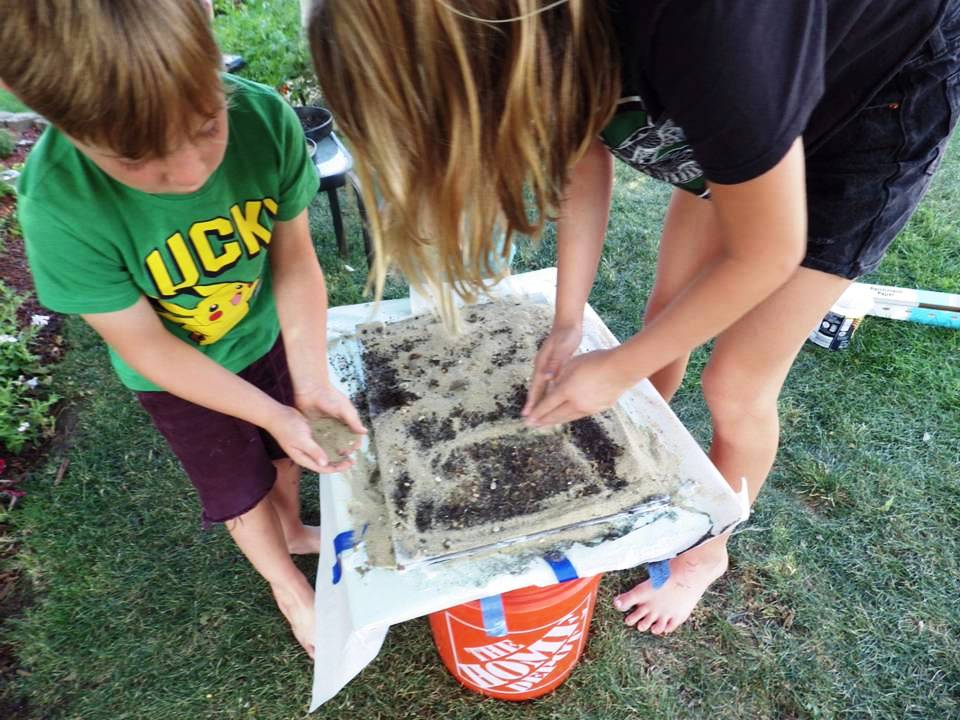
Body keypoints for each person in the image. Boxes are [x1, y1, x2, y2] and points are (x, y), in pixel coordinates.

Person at [306, 0, 960, 635]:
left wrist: (619, 367)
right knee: (663, 321)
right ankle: (633, 466)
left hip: (874, 109)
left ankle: (705, 554)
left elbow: (766, 251)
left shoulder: (706, 33)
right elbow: (579, 156)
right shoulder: (545, 32)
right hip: (747, 109)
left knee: (734, 387)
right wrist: (568, 322)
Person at [0, 0, 367, 658]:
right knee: (236, 486)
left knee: (284, 452)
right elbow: (145, 344)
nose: (192, 171)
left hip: (264, 334)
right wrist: (272, 412)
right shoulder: (59, 205)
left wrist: (308, 383)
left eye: (207, 124)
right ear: (60, 124)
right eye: (136, 158)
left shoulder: (264, 120)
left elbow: (294, 262)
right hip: (176, 376)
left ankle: (293, 529)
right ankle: (285, 584)